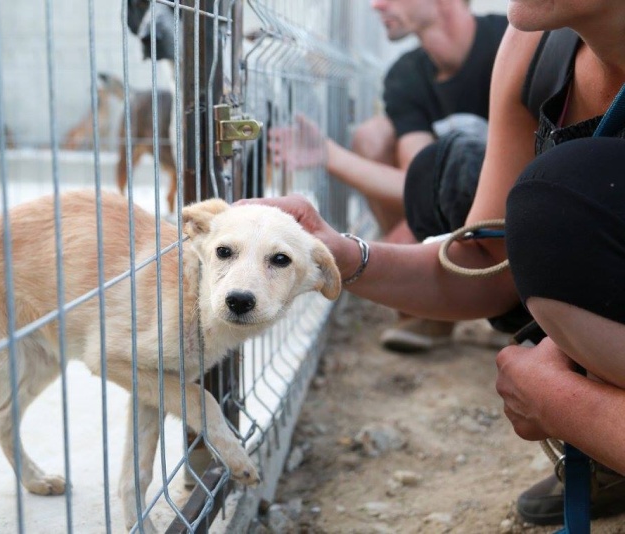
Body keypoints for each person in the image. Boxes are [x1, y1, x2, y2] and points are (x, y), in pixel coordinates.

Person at [246, 0, 625, 525]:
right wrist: (335, 253)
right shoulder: (529, 45)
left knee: (560, 195)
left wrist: (568, 406)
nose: (375, 4)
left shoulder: (501, 34)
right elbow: (485, 266)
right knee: (473, 182)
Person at [273, 0, 507, 353]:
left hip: (518, 211)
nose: (376, 4)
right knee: (372, 136)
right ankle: (435, 306)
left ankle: (520, 303)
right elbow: (422, 185)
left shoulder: (511, 41)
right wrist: (327, 154)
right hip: (452, 207)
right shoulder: (406, 73)